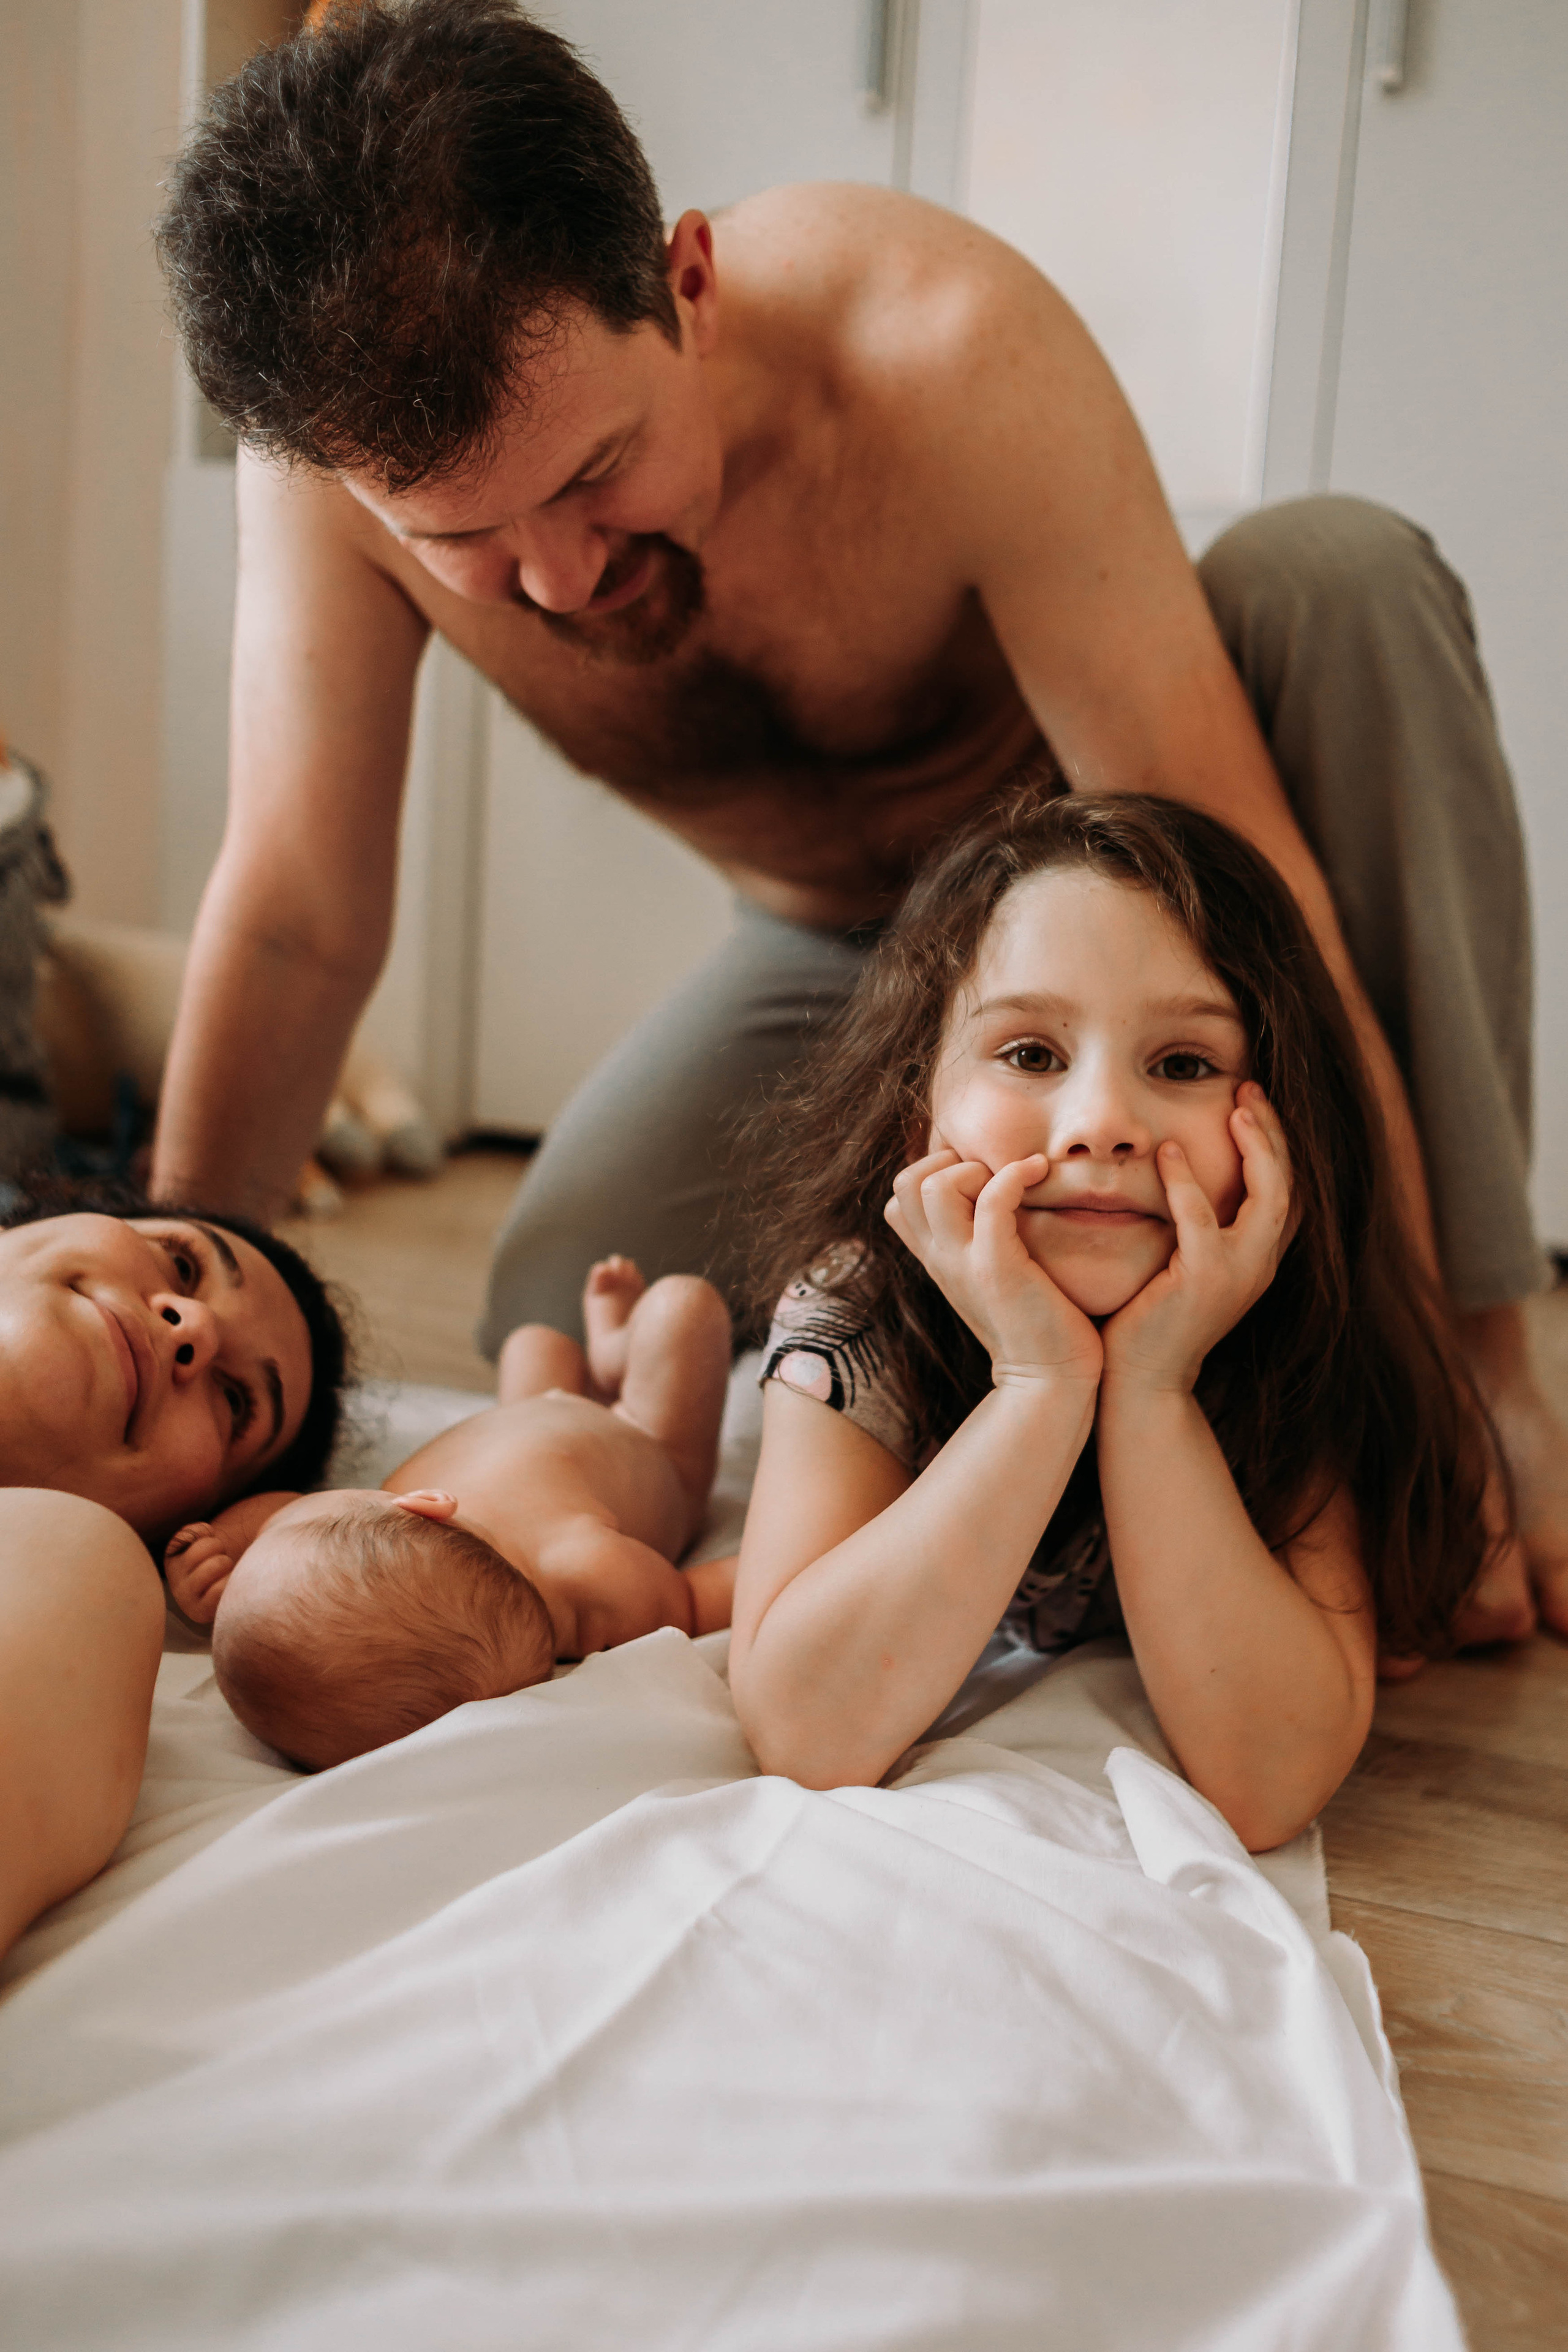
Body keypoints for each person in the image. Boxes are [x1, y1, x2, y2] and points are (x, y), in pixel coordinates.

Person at [149, 0, 1564, 1634]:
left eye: (598, 469)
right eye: (465, 535)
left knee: (1336, 572)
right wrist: (165, 1333)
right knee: (560, 1306)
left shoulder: (940, 344)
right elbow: (297, 916)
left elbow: (1252, 890)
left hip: (1101, 893)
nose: (559, 577)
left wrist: (1433, 1398)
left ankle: (1499, 1344)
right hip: (830, 942)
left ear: (684, 279)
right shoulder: (330, 481)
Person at [728, 788, 1495, 1849]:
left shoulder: (1293, 1326)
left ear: (1285, 1118)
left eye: (1183, 1065)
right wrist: (1039, 1386)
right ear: (922, 1104)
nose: (1102, 1125)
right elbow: (810, 1733)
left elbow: (1269, 1783)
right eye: (1031, 1056)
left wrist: (1153, 1384)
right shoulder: (858, 1311)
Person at [163, 1259, 735, 1769]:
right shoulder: (591, 1573)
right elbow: (702, 1594)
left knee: (532, 1344)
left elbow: (279, 1516)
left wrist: (221, 1546)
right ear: (428, 1507)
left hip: (531, 1414)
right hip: (642, 1439)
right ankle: (619, 1358)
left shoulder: (410, 1574)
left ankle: (602, 1361)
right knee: (682, 1306)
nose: (277, 1514)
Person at [0, 1186, 349, 1956]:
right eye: (184, 1263)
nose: (194, 1325)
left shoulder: (77, 1563)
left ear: (179, 1533)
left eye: (234, 1403)